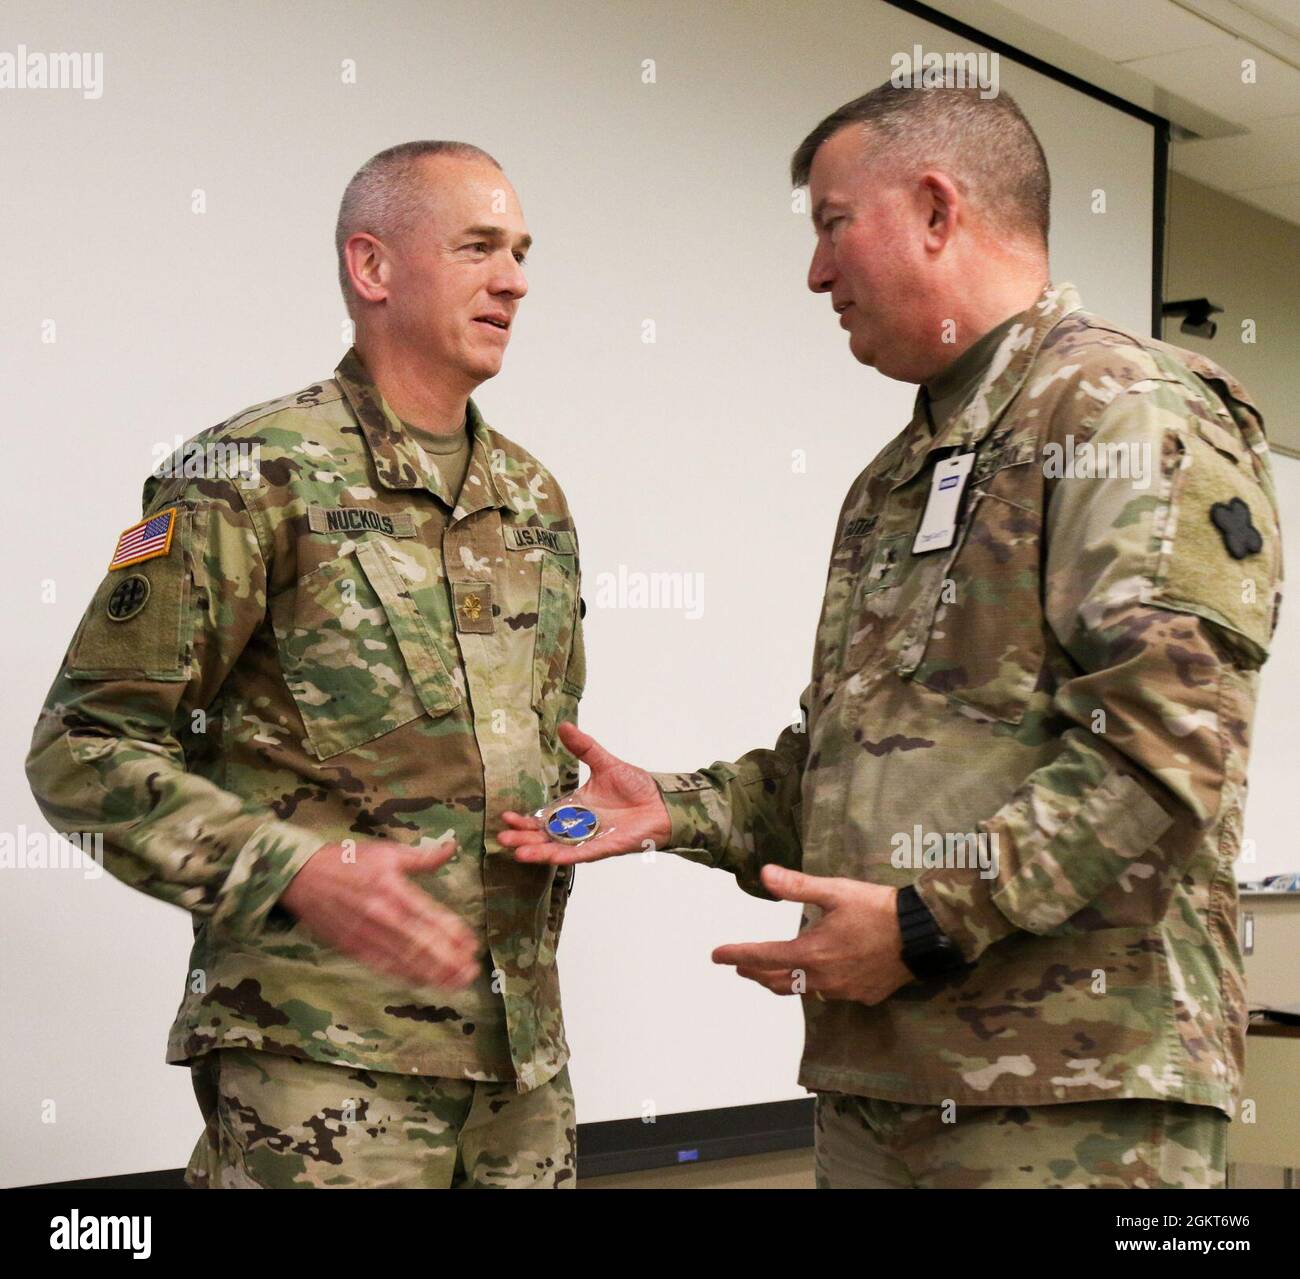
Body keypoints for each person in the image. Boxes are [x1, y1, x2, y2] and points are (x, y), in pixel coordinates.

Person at [501, 82, 1283, 1189]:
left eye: (830, 224)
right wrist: (680, 807)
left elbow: (1163, 748)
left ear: (934, 208)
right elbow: (861, 761)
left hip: (1073, 1102)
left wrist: (925, 922)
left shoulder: (1124, 409)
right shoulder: (898, 476)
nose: (816, 272)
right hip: (885, 1087)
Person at [26, 140, 586, 1189]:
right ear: (372, 269)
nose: (515, 279)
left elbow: (527, 748)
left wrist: (581, 816)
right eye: (478, 248)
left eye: (519, 251)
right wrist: (292, 869)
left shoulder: (534, 498)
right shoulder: (245, 474)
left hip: (520, 1071)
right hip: (320, 1071)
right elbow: (80, 753)